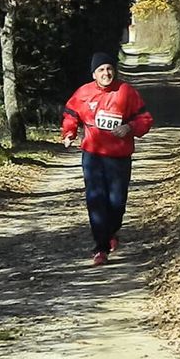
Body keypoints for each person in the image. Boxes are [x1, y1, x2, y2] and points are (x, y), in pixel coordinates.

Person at [62, 52, 154, 266]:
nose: (106, 73)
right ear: (94, 74)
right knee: (95, 200)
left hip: (119, 157)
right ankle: (100, 248)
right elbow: (71, 114)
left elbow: (145, 119)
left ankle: (110, 232)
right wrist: (69, 133)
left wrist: (130, 127)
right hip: (92, 156)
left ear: (115, 70)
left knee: (116, 202)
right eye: (101, 70)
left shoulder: (126, 92)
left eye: (109, 69)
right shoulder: (84, 93)